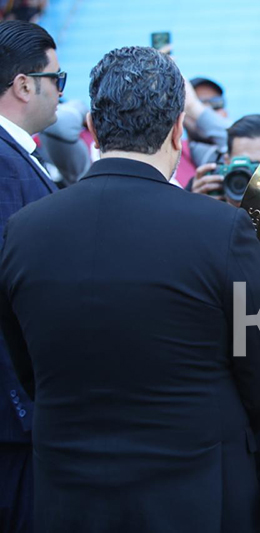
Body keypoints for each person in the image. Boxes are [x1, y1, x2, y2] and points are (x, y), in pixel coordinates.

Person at [0, 46, 260, 533]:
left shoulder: (25, 228)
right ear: (179, 128)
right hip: (196, 483)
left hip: (69, 486)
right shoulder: (221, 228)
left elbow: (26, 361)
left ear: (93, 121)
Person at [0, 20, 61, 533]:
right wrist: (26, 405)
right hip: (12, 416)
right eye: (56, 81)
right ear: (24, 84)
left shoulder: (17, 157)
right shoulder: (5, 164)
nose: (61, 94)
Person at [190, 113, 260, 207]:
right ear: (227, 161)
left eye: (258, 167)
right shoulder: (210, 190)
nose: (249, 176)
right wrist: (196, 205)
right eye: (243, 166)